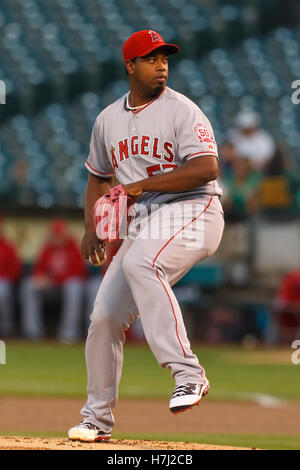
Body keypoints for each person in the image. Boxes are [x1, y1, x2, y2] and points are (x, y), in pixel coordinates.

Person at [68, 30, 224, 443]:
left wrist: (138, 188)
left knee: (142, 262)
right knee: (104, 317)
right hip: (147, 224)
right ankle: (96, 420)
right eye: (152, 59)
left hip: (196, 209)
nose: (162, 66)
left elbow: (208, 168)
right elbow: (97, 179)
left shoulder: (182, 111)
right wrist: (91, 228)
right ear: (130, 66)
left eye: (165, 59)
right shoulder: (107, 120)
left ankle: (188, 374)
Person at [20, 219, 87, 342]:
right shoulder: (47, 249)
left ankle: (69, 331)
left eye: (59, 235)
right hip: (50, 288)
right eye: (54, 235)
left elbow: (79, 273)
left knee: (74, 287)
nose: (57, 238)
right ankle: (33, 331)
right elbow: (38, 269)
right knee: (28, 286)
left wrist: (56, 279)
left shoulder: (72, 248)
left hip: (66, 287)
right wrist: (42, 278)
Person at [0, 216, 22, 336]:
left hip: (4, 282)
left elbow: (15, 271)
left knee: (2, 289)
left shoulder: (8, 247)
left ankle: (6, 328)